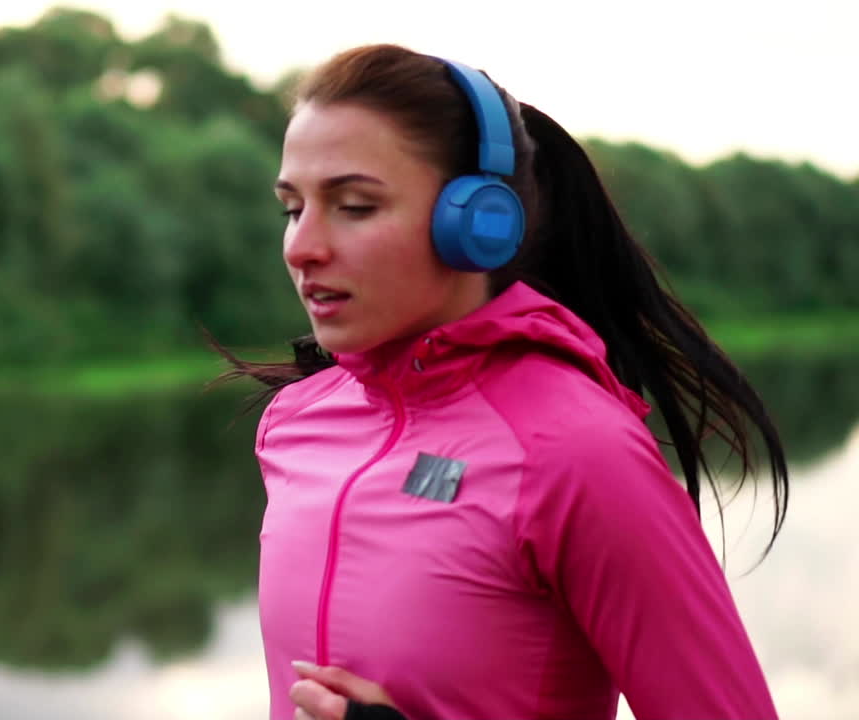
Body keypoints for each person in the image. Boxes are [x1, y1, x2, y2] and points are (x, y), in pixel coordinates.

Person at [217, 45, 789, 719]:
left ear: (477, 222)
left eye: (354, 206)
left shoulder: (579, 452)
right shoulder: (294, 425)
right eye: (293, 207)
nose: (302, 246)